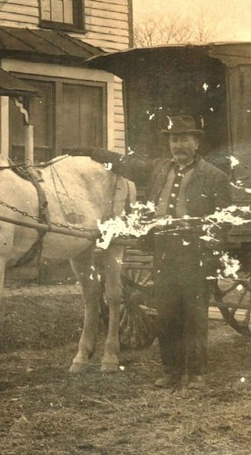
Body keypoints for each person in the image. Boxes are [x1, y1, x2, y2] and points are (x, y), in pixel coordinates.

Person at [71, 115, 231, 389]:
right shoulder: (158, 169)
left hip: (195, 254)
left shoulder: (214, 177)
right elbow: (125, 164)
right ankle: (170, 371)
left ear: (196, 142)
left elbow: (223, 221)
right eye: (173, 140)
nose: (178, 145)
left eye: (183, 139)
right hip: (164, 250)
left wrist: (209, 252)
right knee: (166, 313)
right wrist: (91, 153)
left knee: (194, 315)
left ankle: (196, 374)